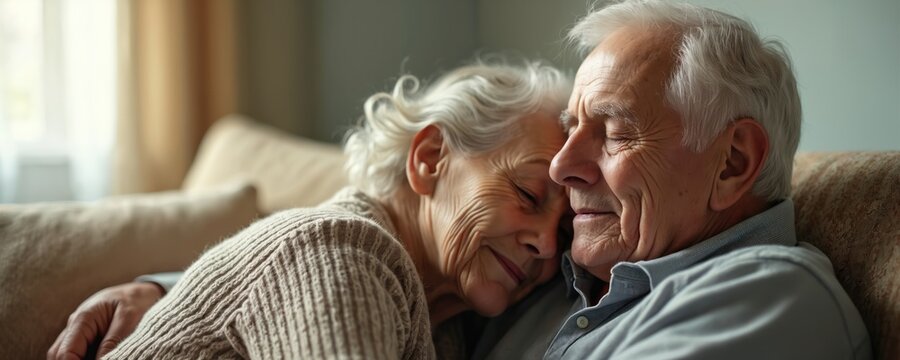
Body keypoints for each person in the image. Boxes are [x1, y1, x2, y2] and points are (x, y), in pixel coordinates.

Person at [48, 61, 573, 359]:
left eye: (565, 230)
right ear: (430, 158)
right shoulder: (341, 252)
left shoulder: (447, 328)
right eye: (527, 195)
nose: (547, 245)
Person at [470, 1, 871, 359]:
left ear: (732, 163)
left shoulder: (774, 299)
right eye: (571, 129)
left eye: (616, 133)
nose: (561, 167)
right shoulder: (537, 283)